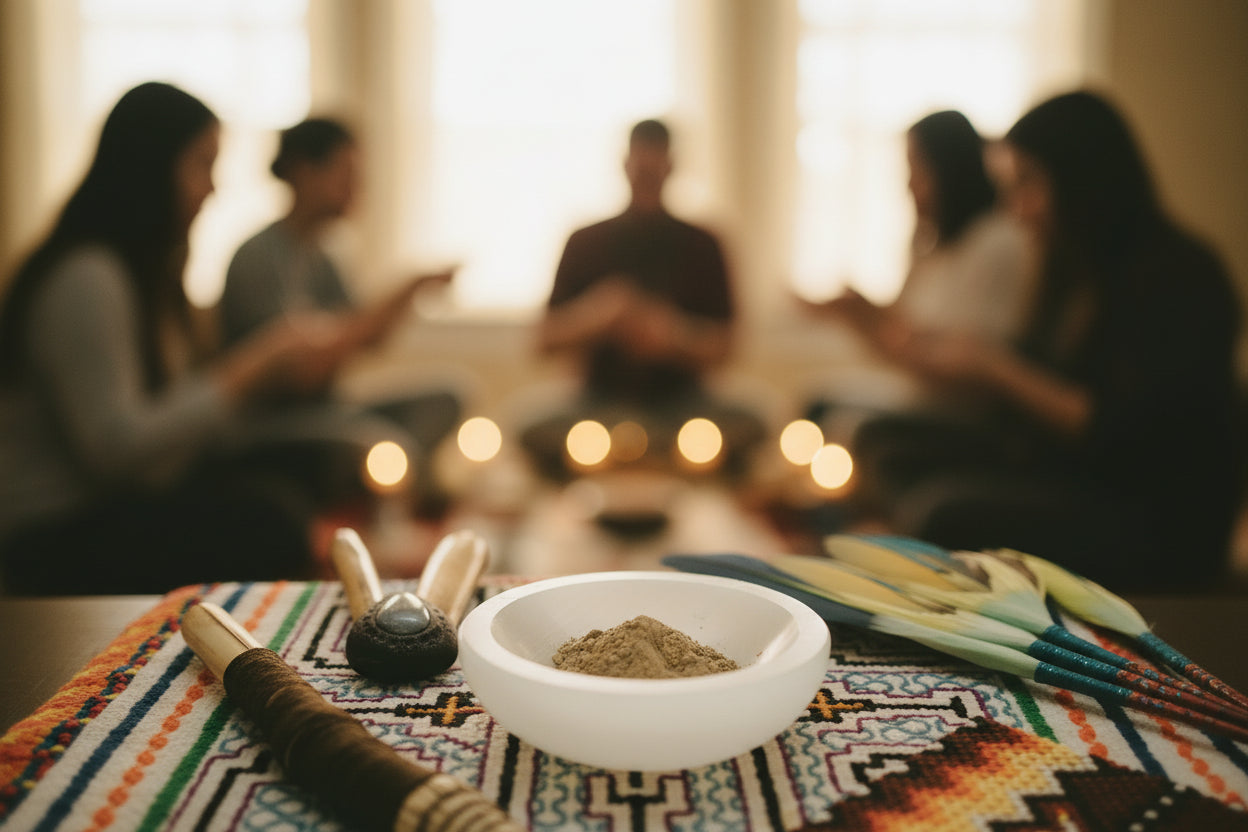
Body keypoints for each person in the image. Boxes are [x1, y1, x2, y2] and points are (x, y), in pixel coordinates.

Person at [853, 90, 1241, 590]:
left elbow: (1119, 433)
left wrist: (994, 366)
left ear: (1083, 179)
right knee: (887, 446)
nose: (1016, 210)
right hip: (1066, 469)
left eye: (1027, 184)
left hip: (1151, 510)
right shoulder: (1073, 270)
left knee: (941, 512)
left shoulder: (1180, 277)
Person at [0, 83, 361, 594]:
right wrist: (251, 367)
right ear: (150, 169)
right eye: (201, 166)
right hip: (52, 534)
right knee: (271, 519)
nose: (211, 188)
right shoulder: (88, 276)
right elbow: (116, 453)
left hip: (122, 499)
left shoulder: (148, 277)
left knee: (297, 469)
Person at [219, 117, 462, 510]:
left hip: (330, 411)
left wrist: (413, 293)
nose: (356, 188)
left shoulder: (325, 257)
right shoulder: (257, 257)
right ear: (302, 171)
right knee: (377, 445)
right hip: (272, 424)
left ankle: (398, 493)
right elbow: (305, 370)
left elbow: (368, 339)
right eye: (345, 174)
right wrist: (405, 288)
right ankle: (398, 501)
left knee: (447, 396)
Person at [523, 118, 763, 478]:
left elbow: (729, 347)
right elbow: (542, 342)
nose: (647, 178)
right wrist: (599, 316)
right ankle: (646, 456)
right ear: (625, 165)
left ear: (671, 166)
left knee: (755, 421)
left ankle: (642, 456)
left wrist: (672, 336)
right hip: (596, 407)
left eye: (655, 169)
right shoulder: (584, 241)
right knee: (529, 425)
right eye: (641, 169)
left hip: (684, 409)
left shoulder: (704, 244)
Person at [804, 110, 1034, 420]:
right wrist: (860, 314)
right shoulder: (932, 245)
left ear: (948, 171)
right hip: (916, 397)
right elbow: (906, 331)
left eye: (917, 171)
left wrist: (869, 322)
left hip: (956, 414)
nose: (909, 186)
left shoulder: (997, 242)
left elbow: (963, 366)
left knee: (834, 417)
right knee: (818, 402)